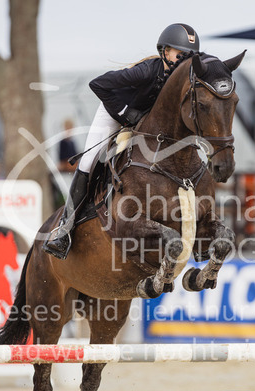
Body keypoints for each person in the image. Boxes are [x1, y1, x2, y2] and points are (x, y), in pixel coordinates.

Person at [44, 23, 200, 259]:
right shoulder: (145, 71)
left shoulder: (184, 80)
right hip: (114, 110)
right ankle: (64, 229)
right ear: (165, 52)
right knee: (88, 161)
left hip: (144, 120)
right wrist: (127, 114)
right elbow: (98, 84)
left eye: (189, 56)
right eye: (180, 55)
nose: (184, 61)